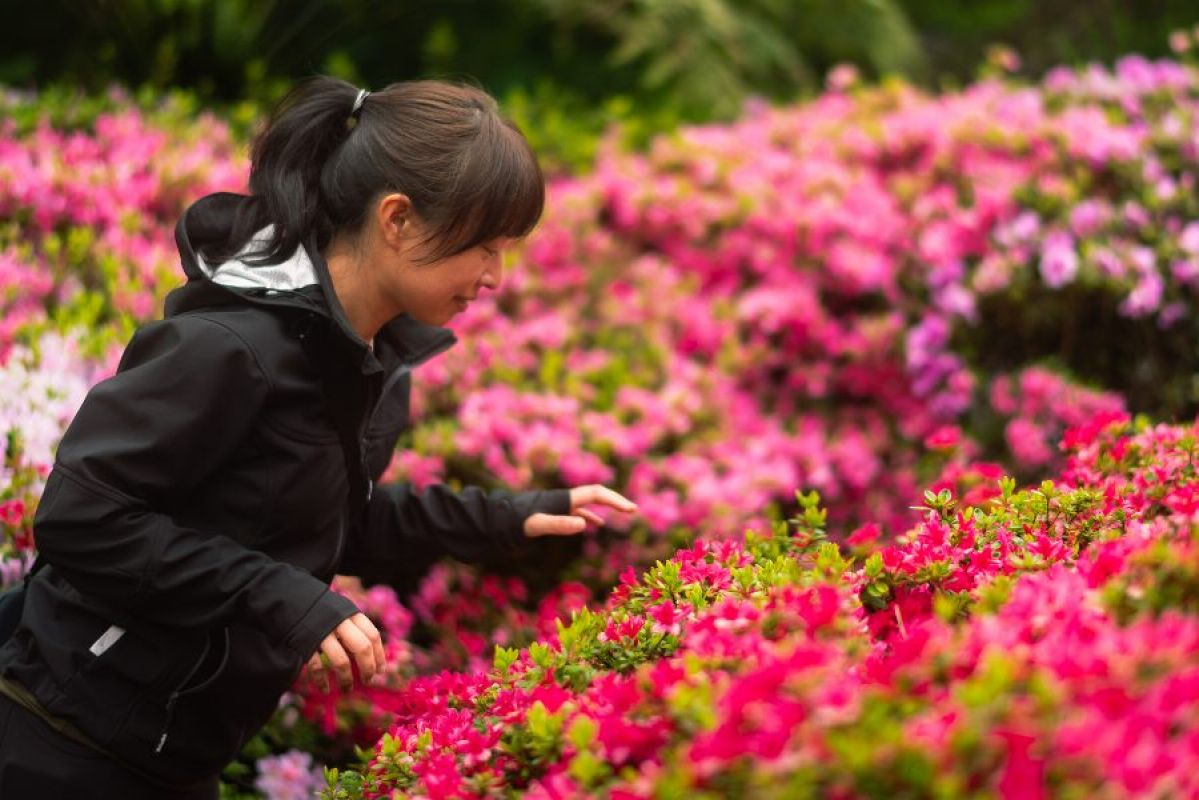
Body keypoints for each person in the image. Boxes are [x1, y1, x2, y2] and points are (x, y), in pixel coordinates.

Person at [0, 75, 637, 798]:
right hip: (60, 745)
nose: (495, 276)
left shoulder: (365, 358)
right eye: (483, 248)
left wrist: (513, 514)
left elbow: (330, 518)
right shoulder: (226, 348)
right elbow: (80, 519)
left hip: (172, 761)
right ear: (396, 219)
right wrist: (280, 595)